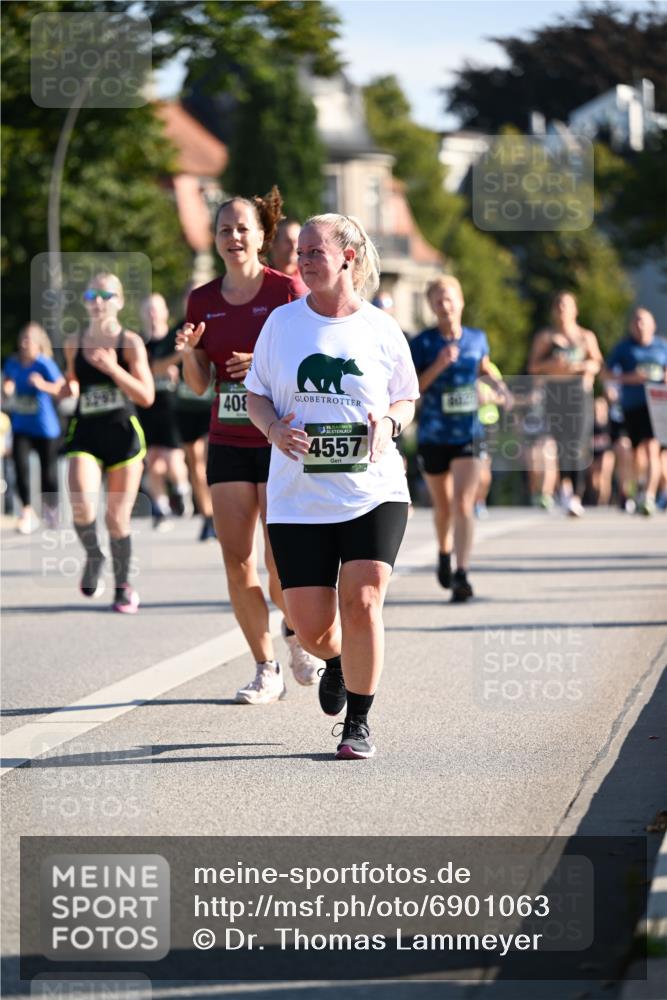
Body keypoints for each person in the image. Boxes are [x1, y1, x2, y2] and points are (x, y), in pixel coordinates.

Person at [245, 212, 419, 760]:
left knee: (364, 599)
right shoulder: (281, 324)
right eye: (299, 252)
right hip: (299, 499)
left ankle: (359, 723)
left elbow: (406, 397)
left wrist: (388, 423)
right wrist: (274, 429)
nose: (303, 260)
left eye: (315, 251)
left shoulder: (381, 328)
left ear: (349, 256)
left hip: (373, 488)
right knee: (313, 629)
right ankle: (337, 660)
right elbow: (255, 396)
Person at [175, 187, 323, 702]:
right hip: (228, 439)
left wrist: (259, 365)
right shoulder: (202, 300)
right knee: (237, 560)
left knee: (280, 563)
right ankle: (265, 668)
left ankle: (294, 633)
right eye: (224, 229)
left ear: (261, 236)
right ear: (215, 240)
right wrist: (191, 356)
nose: (233, 237)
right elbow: (197, 385)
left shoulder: (287, 292)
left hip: (278, 439)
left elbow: (311, 362)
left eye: (242, 228)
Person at [410, 276, 509, 602]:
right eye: (437, 300)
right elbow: (414, 388)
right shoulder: (423, 343)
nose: (444, 305)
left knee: (464, 503)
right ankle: (443, 551)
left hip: (468, 432)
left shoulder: (477, 338)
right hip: (434, 435)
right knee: (443, 507)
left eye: (448, 298)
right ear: (431, 307)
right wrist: (438, 366)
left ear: (461, 301)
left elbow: (482, 367)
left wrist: (498, 386)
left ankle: (462, 572)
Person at [62, 273, 154, 612]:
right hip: (86, 433)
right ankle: (92, 554)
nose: (97, 301)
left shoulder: (129, 342)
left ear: (119, 301)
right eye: (91, 294)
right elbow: (72, 380)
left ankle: (123, 585)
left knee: (116, 517)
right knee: (82, 504)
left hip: (123, 437)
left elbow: (146, 396)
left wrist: (114, 370)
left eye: (105, 294)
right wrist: (67, 387)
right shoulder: (74, 342)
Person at [528, 291, 602, 517]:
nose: (562, 309)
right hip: (555, 392)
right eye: (558, 305)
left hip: (578, 393)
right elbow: (533, 367)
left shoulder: (585, 337)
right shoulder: (546, 337)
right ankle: (566, 490)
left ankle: (576, 494)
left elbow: (597, 363)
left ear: (575, 310)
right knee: (560, 443)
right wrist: (552, 362)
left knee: (577, 442)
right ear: (553, 310)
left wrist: (583, 367)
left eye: (567, 305)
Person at [602, 307, 667, 516]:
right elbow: (607, 373)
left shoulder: (661, 346)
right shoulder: (624, 348)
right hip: (632, 406)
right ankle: (637, 488)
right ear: (632, 325)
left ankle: (649, 496)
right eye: (636, 321)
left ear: (652, 325)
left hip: (656, 405)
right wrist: (631, 378)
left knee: (652, 448)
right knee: (635, 453)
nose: (640, 325)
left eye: (644, 321)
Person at [136, 293, 193, 530]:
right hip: (147, 408)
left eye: (156, 309)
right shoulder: (138, 343)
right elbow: (152, 367)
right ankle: (161, 509)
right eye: (147, 309)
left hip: (172, 408)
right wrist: (172, 361)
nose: (152, 314)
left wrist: (179, 357)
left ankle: (181, 491)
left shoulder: (174, 338)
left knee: (171, 459)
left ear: (165, 313)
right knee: (152, 463)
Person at [2, 323, 64, 533]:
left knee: (49, 473)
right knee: (20, 468)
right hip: (21, 426)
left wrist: (42, 385)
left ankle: (51, 511)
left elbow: (62, 388)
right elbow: (8, 381)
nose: (24, 343)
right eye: (23, 339)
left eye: (29, 340)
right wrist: (7, 388)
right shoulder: (12, 363)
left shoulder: (44, 364)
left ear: (39, 344)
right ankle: (27, 512)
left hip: (46, 428)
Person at [172, 284, 216, 541]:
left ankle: (219, 512)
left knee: (212, 463)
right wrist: (183, 356)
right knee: (196, 466)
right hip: (187, 407)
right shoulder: (178, 329)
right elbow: (156, 363)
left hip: (213, 404)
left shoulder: (216, 321)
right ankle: (207, 515)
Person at [269, 217, 308, 297]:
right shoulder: (261, 280)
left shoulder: (311, 278)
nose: (294, 247)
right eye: (288, 241)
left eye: (297, 241)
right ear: (273, 243)